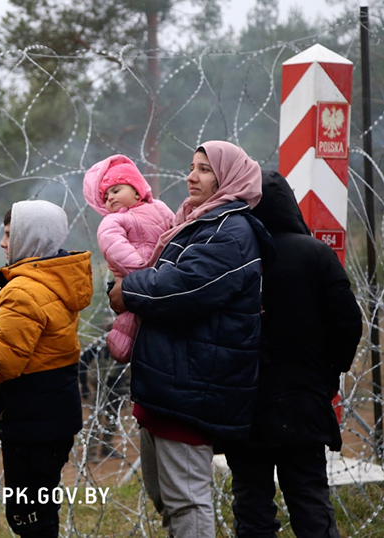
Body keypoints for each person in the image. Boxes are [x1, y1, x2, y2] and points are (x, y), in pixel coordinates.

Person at [109, 141, 272, 537]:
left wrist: (128, 290)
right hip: (170, 382)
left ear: (227, 178)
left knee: (187, 501)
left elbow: (180, 288)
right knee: (166, 496)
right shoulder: (195, 221)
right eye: (191, 166)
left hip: (194, 385)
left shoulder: (229, 232)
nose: (191, 176)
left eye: (203, 169)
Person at [223, 170, 363, 538]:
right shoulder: (316, 254)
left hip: (244, 400)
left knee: (252, 507)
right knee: (310, 501)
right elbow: (348, 322)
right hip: (303, 398)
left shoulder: (234, 255)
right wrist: (328, 373)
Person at [0, 201, 93, 538]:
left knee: (27, 518)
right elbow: (38, 326)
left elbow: (0, 362)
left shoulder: (23, 290)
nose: (2, 242)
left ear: (32, 238)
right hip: (50, 419)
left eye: (10, 235)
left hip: (31, 425)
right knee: (39, 511)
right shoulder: (51, 278)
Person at [82, 155, 174, 362]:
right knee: (130, 328)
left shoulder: (159, 207)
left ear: (136, 190)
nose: (110, 198)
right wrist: (141, 273)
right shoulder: (113, 220)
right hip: (136, 278)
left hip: (162, 276)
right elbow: (115, 247)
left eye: (116, 190)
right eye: (105, 197)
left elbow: (175, 230)